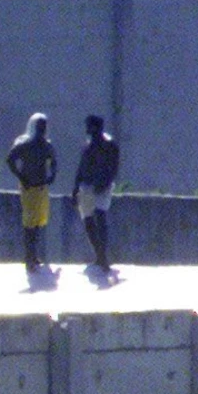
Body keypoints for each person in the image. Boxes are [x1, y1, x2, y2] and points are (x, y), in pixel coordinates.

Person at [7, 113, 57, 273]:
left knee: (38, 223)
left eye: (44, 126)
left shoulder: (46, 145)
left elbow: (54, 161)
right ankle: (29, 257)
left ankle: (33, 255)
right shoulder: (25, 144)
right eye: (40, 126)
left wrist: (52, 175)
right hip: (28, 188)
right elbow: (10, 159)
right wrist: (22, 177)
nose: (43, 129)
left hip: (41, 187)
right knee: (29, 223)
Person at [73, 115, 120, 276]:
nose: (87, 129)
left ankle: (103, 256)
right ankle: (99, 255)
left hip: (102, 187)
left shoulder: (109, 144)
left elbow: (114, 167)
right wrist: (75, 188)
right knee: (88, 220)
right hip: (86, 186)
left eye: (89, 126)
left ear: (95, 127)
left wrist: (105, 184)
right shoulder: (87, 145)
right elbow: (81, 168)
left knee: (100, 217)